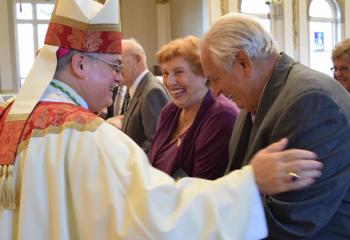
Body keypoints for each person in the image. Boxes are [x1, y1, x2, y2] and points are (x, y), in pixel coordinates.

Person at [0, 1, 323, 239]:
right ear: (80, 64)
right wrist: (249, 183)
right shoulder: (87, 136)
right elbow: (154, 214)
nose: (118, 79)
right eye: (113, 66)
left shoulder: (10, 116)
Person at [200, 13, 350, 239]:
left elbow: (292, 220)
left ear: (243, 62)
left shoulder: (310, 102)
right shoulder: (254, 98)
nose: (215, 92)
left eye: (215, 79)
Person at [148, 36, 239, 179]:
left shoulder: (221, 115)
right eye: (165, 73)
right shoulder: (170, 111)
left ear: (204, 74)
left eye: (179, 72)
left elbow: (203, 187)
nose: (169, 82)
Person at [110, 38, 169, 153]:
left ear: (137, 59)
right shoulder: (136, 88)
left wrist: (126, 162)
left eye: (119, 64)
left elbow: (156, 144)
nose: (116, 70)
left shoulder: (152, 91)